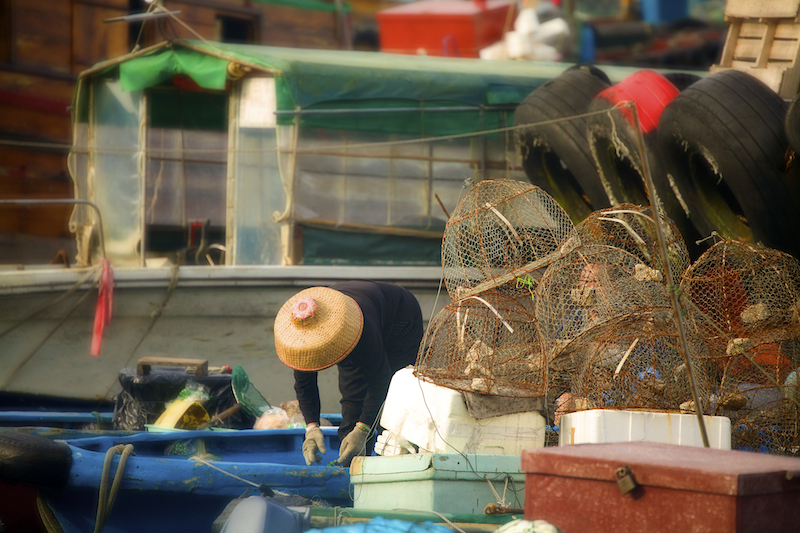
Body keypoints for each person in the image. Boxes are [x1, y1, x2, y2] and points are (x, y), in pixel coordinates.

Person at [274, 280, 424, 467]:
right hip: (364, 314)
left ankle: (394, 467)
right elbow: (304, 384)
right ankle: (351, 468)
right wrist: (311, 427)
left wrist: (363, 430)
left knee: (394, 402)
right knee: (353, 406)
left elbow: (380, 379)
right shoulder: (301, 339)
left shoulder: (357, 329)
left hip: (400, 319)